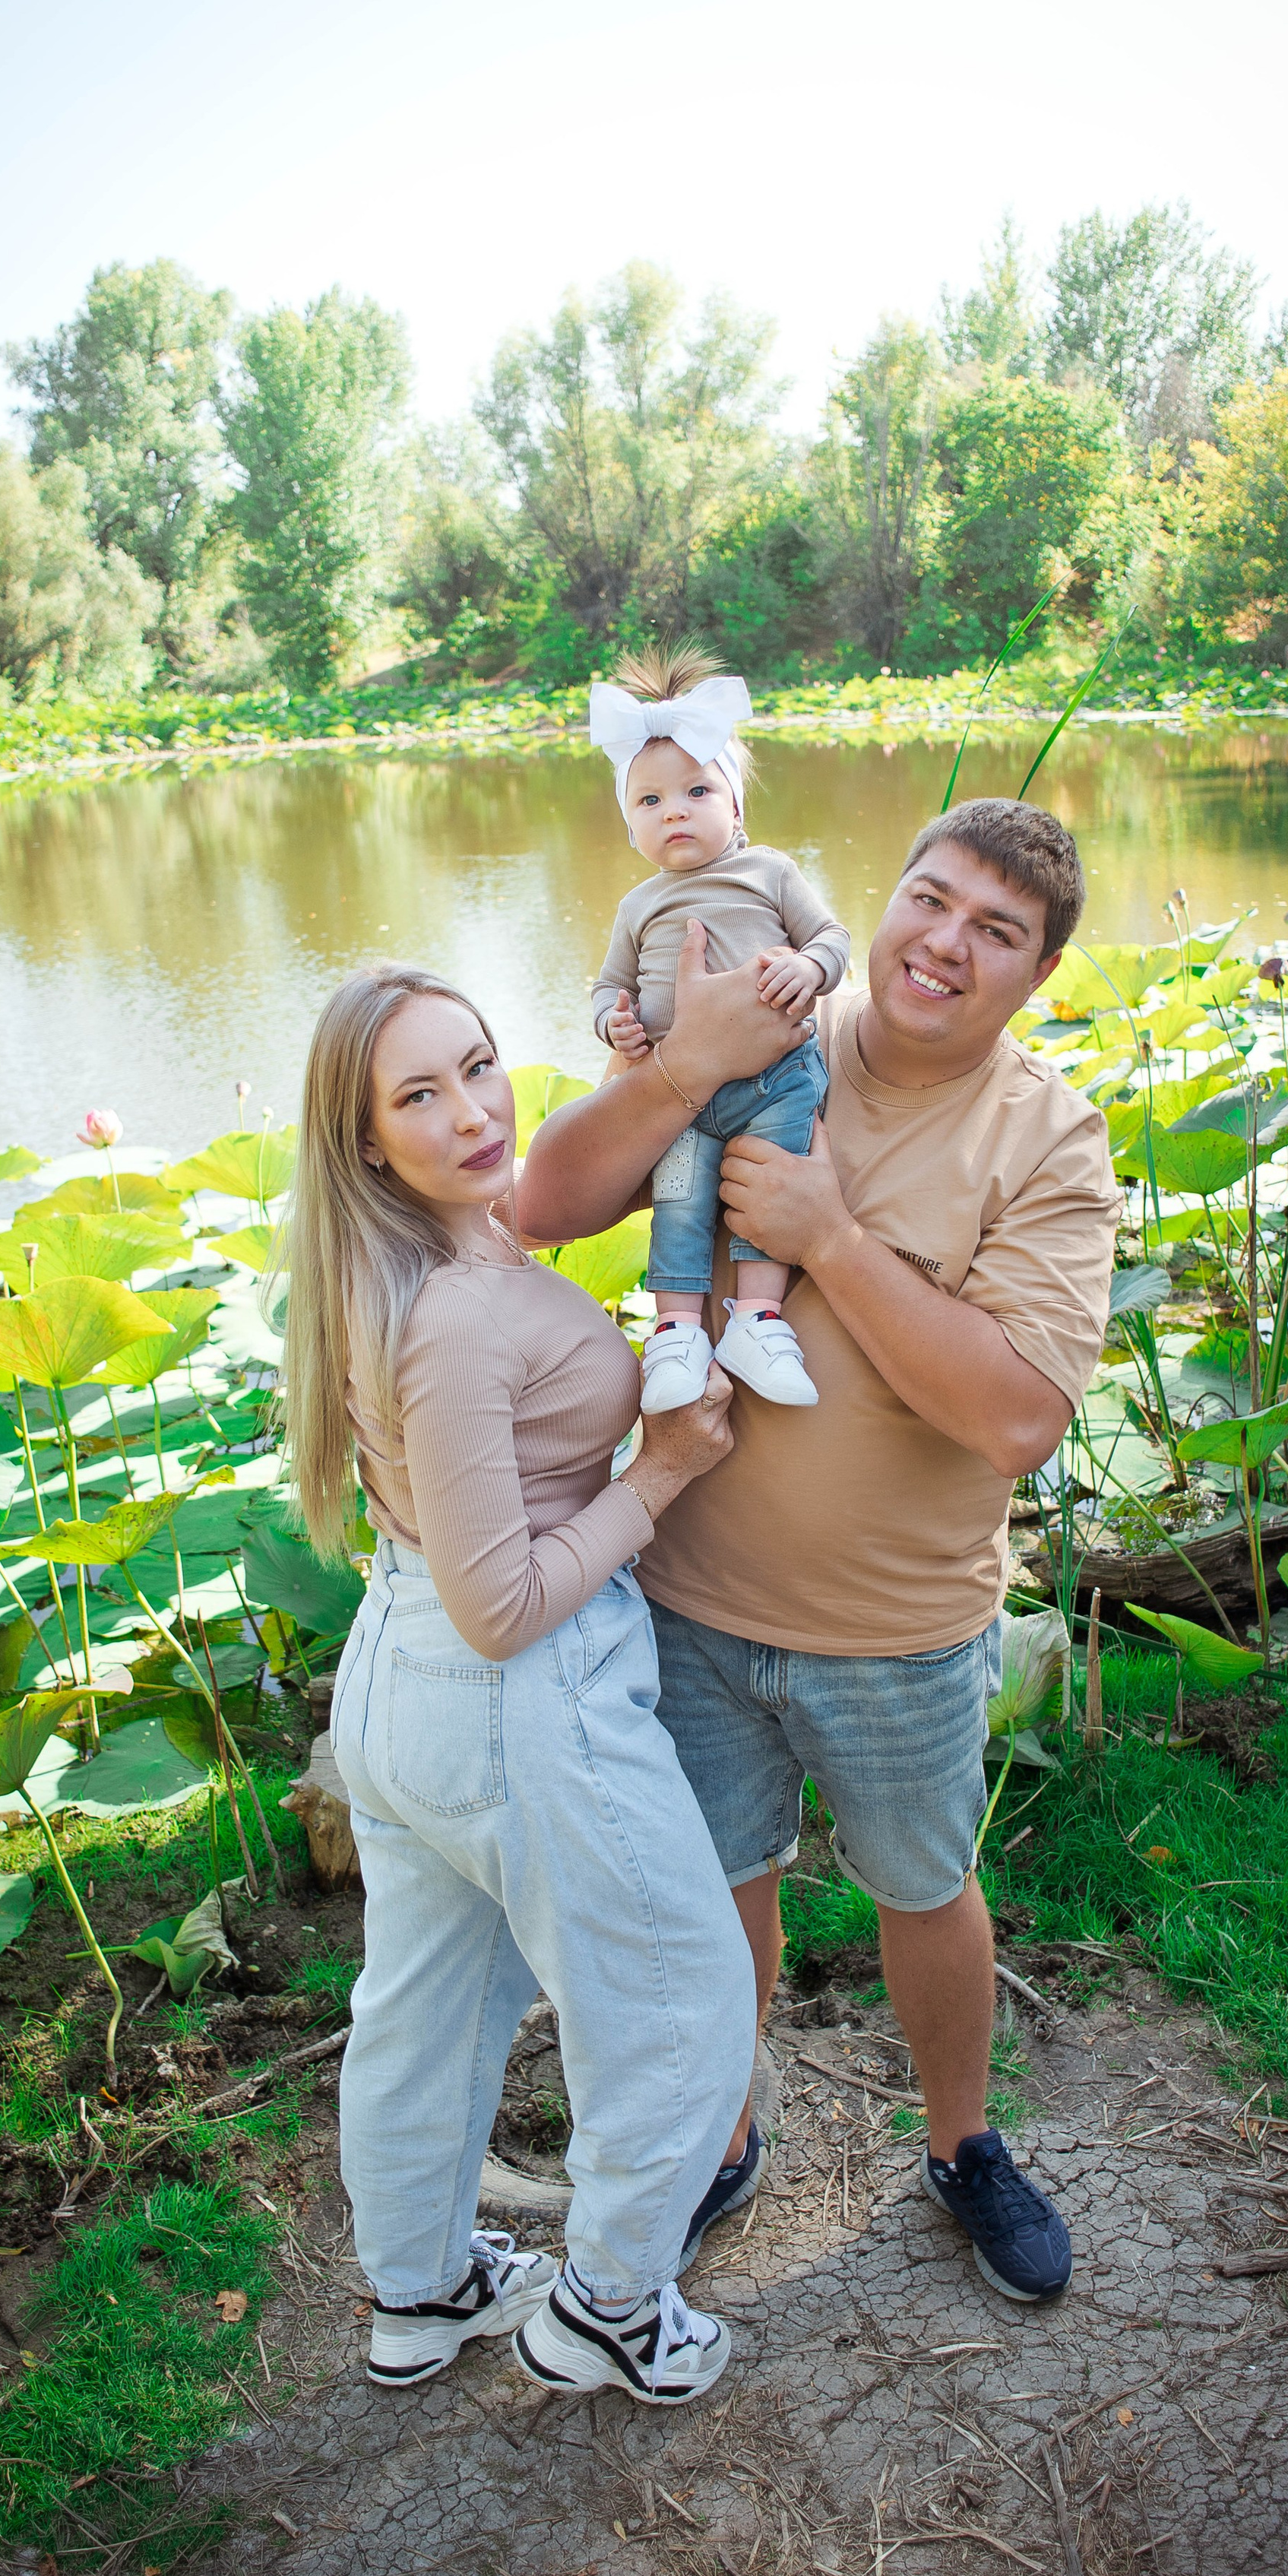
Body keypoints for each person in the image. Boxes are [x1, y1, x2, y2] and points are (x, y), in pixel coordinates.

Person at [518, 799, 1122, 2304]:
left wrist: (832, 1238)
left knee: (924, 1884)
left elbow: (1013, 1422)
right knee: (723, 1884)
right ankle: (723, 2132)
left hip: (898, 1622)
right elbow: (545, 1204)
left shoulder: (1045, 1138)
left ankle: (961, 2141)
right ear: (886, 898)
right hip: (690, 1596)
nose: (944, 944)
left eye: (996, 931)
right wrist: (675, 1063)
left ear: (1035, 973)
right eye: (930, 900)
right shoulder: (762, 1016)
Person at [282, 965, 758, 2406]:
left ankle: (420, 2290)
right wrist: (659, 1479)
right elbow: (504, 1609)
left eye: (480, 1065)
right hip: (515, 1697)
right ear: (366, 1139)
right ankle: (611, 2306)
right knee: (682, 2000)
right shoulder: (457, 1317)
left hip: (395, 1683)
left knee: (424, 2011)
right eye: (419, 1093)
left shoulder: (397, 1266)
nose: (475, 1109)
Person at [590, 643, 850, 1415]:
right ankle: (675, 1331)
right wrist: (615, 1021)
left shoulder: (769, 871)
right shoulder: (636, 907)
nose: (674, 809)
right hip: (680, 1096)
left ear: (734, 804)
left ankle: (757, 1319)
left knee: (770, 1193)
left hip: (777, 1081)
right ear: (630, 826)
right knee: (679, 1200)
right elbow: (607, 985)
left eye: (697, 790)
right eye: (649, 801)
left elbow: (832, 940)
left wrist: (808, 972)